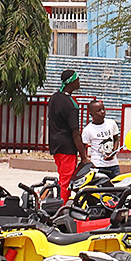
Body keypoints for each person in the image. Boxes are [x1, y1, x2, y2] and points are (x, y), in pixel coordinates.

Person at [47, 69, 85, 203]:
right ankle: (62, 208)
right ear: (71, 82)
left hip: (55, 145)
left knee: (63, 176)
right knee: (66, 181)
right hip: (67, 147)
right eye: (77, 80)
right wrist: (84, 157)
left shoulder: (54, 98)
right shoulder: (70, 104)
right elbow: (75, 133)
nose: (79, 82)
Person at [80, 100, 122, 179]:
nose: (102, 112)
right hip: (98, 166)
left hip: (113, 165)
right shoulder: (88, 129)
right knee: (100, 188)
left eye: (103, 109)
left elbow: (116, 139)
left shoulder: (111, 123)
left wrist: (114, 151)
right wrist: (86, 159)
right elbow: (83, 146)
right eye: (98, 111)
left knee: (116, 187)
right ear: (91, 114)